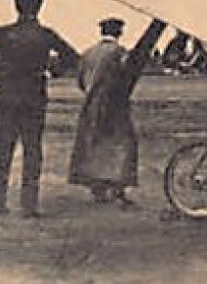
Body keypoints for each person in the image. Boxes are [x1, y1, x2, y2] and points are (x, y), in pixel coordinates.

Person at [0, 0, 78, 217]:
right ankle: (29, 204)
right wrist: (51, 71)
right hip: (34, 94)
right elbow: (72, 57)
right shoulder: (45, 35)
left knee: (3, 149)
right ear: (39, 7)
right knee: (32, 149)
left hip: (8, 92)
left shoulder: (6, 33)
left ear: (16, 7)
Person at [69, 16, 168, 205]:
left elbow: (80, 81)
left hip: (90, 105)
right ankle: (118, 190)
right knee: (122, 144)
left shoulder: (88, 53)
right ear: (119, 32)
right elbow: (126, 75)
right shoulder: (120, 53)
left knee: (94, 144)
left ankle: (98, 189)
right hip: (115, 105)